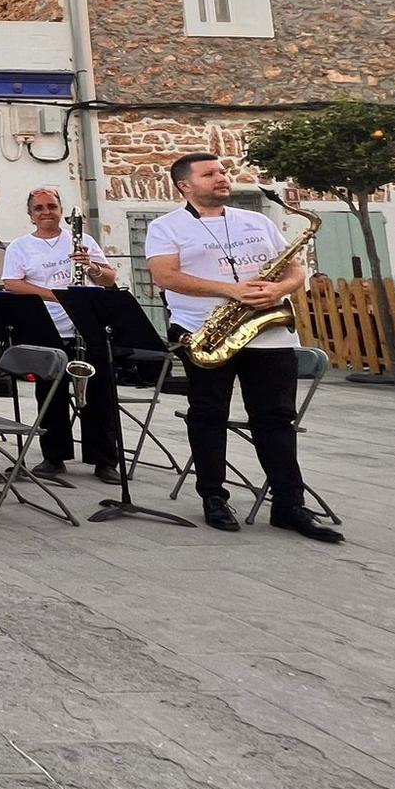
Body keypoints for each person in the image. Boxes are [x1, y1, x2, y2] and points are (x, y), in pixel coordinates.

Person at [145, 153, 341, 543]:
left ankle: (289, 505)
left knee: (277, 419)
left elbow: (295, 270)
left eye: (222, 171)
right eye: (210, 174)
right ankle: (214, 497)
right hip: (207, 331)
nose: (222, 178)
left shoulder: (259, 221)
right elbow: (164, 275)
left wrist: (279, 289)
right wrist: (229, 290)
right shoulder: (167, 227)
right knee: (209, 415)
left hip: (269, 334)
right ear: (185, 185)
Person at [1, 187, 122, 483]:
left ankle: (104, 460)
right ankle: (54, 457)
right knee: (50, 395)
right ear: (30, 215)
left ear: (61, 211)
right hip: (49, 327)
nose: (46, 212)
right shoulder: (21, 246)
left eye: (51, 207)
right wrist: (54, 295)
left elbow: (109, 278)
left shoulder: (82, 241)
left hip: (87, 327)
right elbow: (12, 283)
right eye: (39, 208)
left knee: (99, 396)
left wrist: (89, 266)